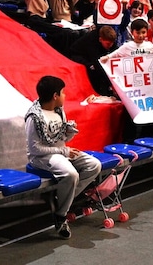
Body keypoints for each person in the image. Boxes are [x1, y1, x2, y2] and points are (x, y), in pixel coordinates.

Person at [25, 75, 101, 239]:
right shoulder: (34, 117)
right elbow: (34, 148)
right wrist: (64, 152)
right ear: (55, 96)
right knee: (71, 174)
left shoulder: (59, 111)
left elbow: (61, 141)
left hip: (60, 152)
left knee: (94, 165)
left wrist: (69, 134)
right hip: (42, 158)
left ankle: (63, 200)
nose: (65, 96)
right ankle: (61, 215)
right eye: (63, 92)